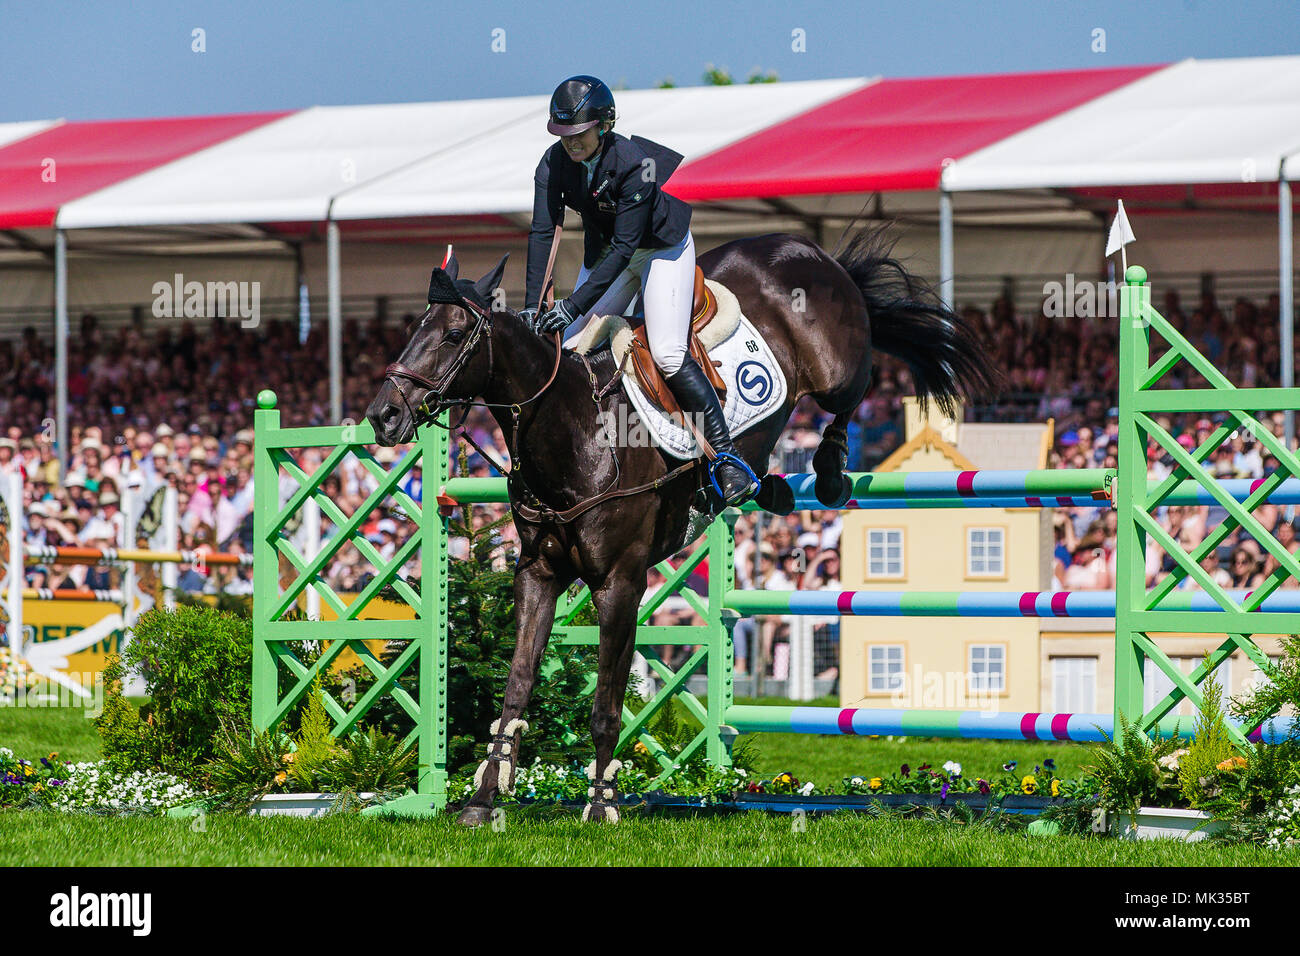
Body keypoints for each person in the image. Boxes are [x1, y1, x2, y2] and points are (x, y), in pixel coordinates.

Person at [521, 75, 758, 506]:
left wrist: (573, 303)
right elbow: (542, 232)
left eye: (578, 135)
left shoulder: (634, 164)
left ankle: (726, 457)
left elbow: (627, 247)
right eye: (562, 135)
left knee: (667, 351)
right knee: (567, 344)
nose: (569, 144)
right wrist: (532, 306)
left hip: (659, 251)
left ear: (604, 125)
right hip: (610, 252)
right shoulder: (552, 164)